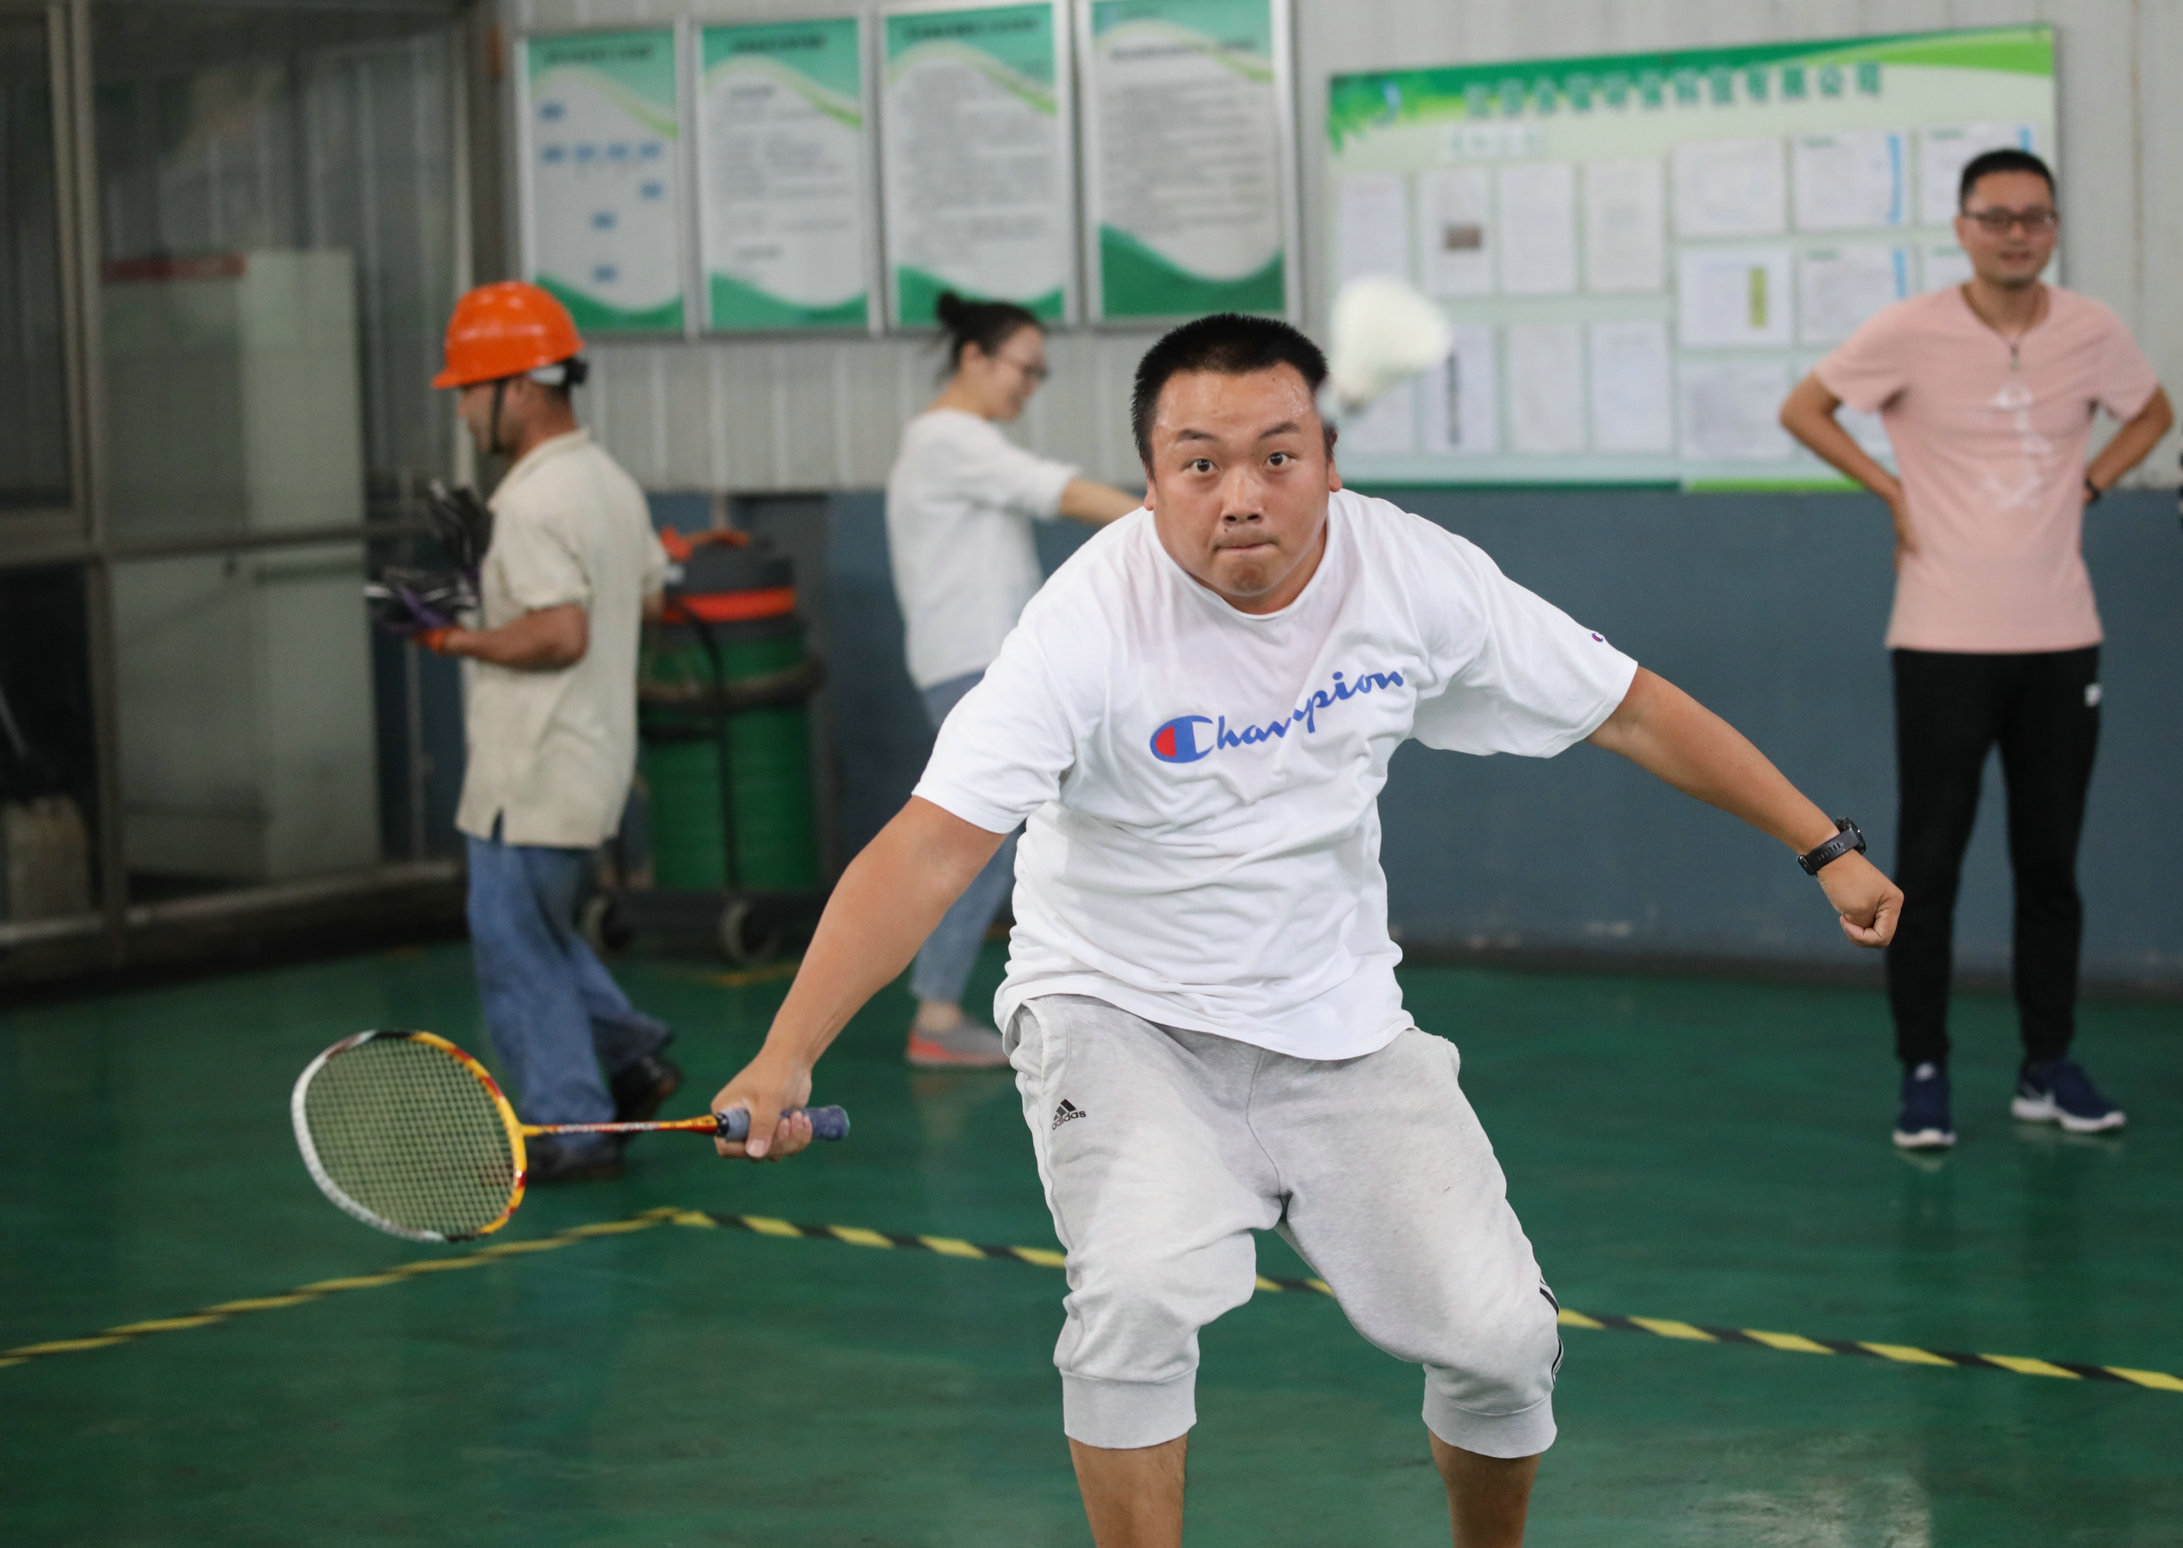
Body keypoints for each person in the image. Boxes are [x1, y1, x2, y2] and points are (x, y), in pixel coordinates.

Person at [710, 314, 1903, 1547]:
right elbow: (929, 847)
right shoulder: (1084, 621)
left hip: (1336, 1021)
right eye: (1198, 463)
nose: (1240, 495)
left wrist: (1822, 845)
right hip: (1116, 1010)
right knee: (1133, 1300)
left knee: (1502, 1345)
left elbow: (1629, 708)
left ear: (1328, 462)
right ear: (1150, 480)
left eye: (1276, 456)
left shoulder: (1409, 572)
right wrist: (787, 1051)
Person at [1780, 148, 2172, 1151]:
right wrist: (1891, 490)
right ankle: (1922, 1069)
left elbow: (2152, 412)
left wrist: (2088, 485)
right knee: (1929, 866)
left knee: (2049, 867)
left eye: (2032, 217)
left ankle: (2048, 1066)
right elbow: (1803, 407)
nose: (2014, 234)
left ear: (2052, 230)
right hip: (1941, 638)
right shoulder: (1909, 330)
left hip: (2059, 638)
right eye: (1994, 216)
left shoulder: (2090, 329)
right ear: (1961, 228)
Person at [420, 281, 681, 1183]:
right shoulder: (608, 481)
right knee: (537, 930)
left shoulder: (530, 504)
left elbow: (560, 633)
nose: (462, 409)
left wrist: (451, 635)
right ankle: (631, 1054)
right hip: (591, 757)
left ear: (521, 390)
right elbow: (648, 598)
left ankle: (572, 1128)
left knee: (515, 950)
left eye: (470, 388)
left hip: (529, 769)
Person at [884, 290, 1139, 1068]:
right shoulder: (947, 439)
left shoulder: (955, 443)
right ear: (974, 357)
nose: (1029, 385)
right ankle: (935, 1014)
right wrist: (1171, 525)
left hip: (983, 664)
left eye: (1039, 373)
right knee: (982, 837)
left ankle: (1094, 987)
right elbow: (1064, 492)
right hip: (972, 667)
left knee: (1037, 828)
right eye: (1023, 368)